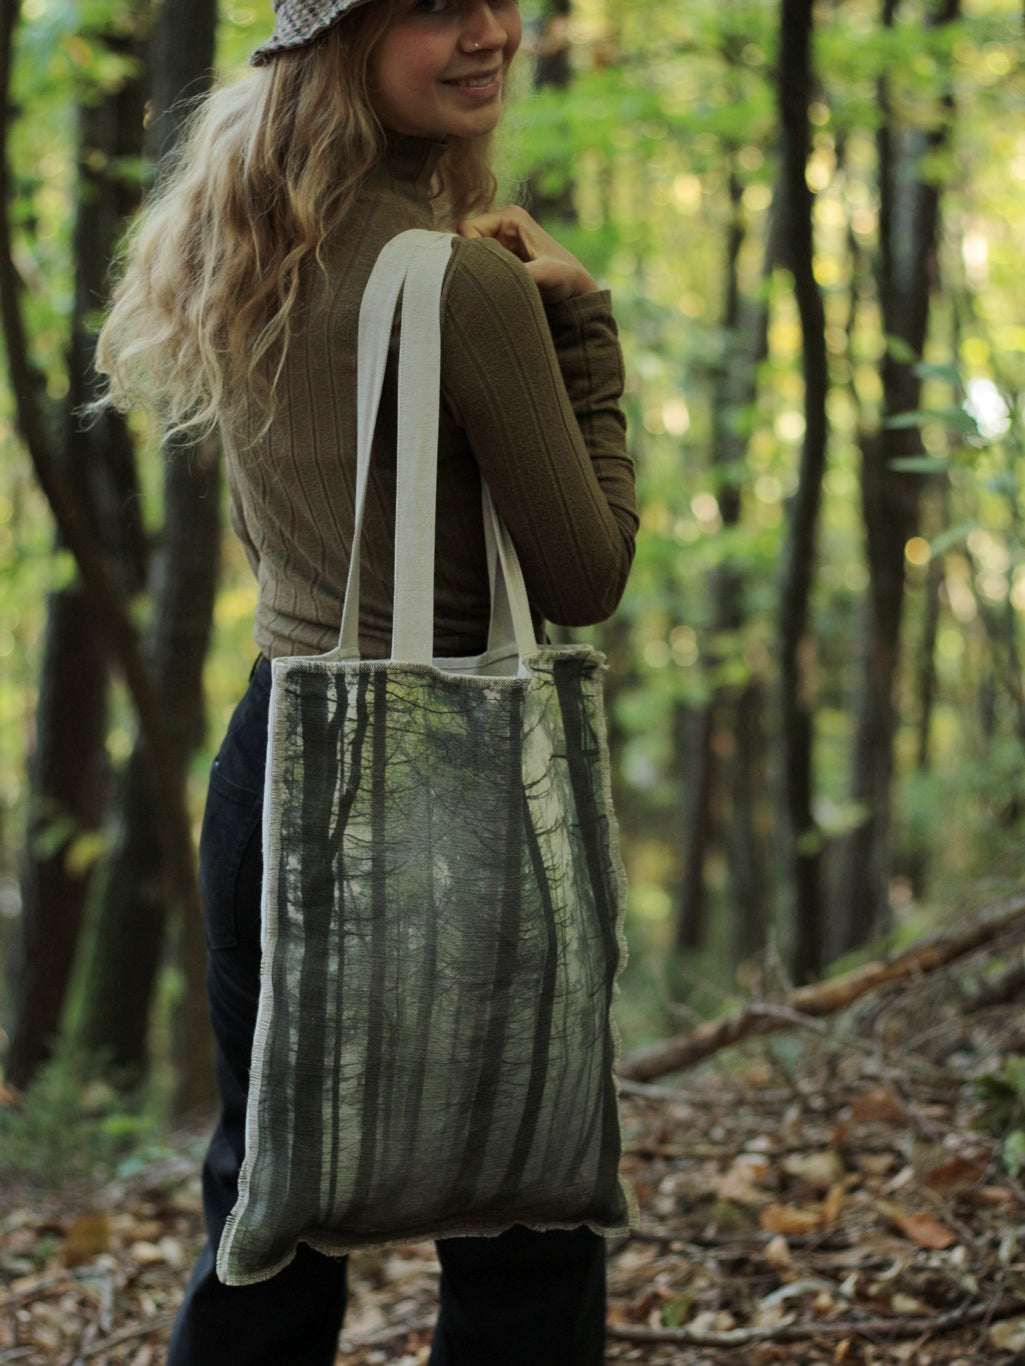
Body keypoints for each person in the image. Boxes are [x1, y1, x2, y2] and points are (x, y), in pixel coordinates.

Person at [95, 1, 637, 1362]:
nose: (490, 32)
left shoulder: (242, 247)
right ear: (345, 39)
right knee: (525, 1229)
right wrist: (584, 327)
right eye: (433, 8)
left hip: (277, 762)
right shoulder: (463, 284)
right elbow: (584, 573)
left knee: (268, 1213)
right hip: (453, 781)